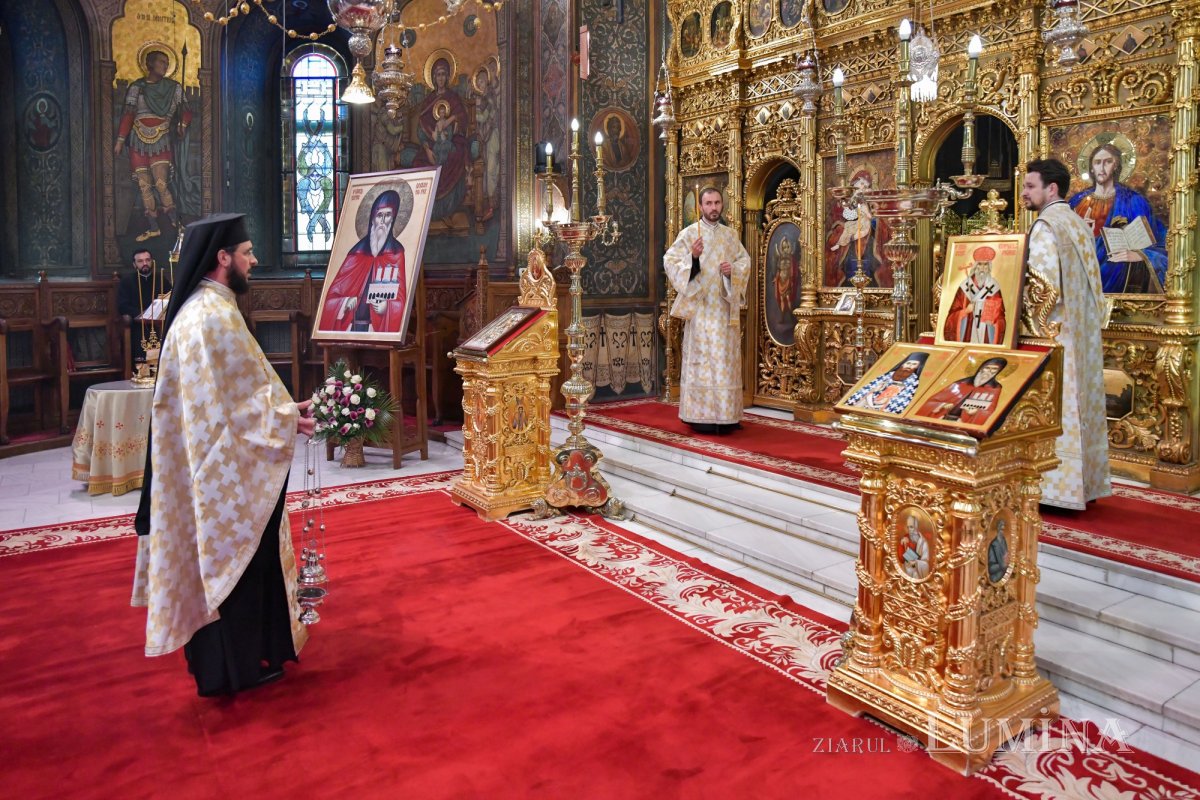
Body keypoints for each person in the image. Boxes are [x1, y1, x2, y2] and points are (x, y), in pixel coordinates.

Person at [131, 212, 314, 697]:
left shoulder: (200, 310)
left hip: (209, 461)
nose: (254, 261)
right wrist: (285, 418)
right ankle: (238, 670)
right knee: (237, 561)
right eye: (249, 252)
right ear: (223, 257)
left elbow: (234, 399)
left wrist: (285, 412)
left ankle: (227, 665)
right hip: (223, 468)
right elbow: (232, 410)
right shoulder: (212, 317)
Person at [1023, 158, 1113, 509]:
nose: (1024, 194)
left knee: (1056, 407)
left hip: (1055, 335)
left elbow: (1041, 289)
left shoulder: (1046, 226)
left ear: (1052, 189)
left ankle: (1057, 491)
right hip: (1083, 331)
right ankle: (1083, 487)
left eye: (1030, 186)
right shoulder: (1076, 222)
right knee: (1082, 406)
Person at [664, 187, 751, 434]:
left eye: (717, 203)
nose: (713, 208)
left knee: (724, 360)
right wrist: (692, 257)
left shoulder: (731, 236)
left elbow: (744, 262)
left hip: (723, 311)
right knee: (703, 362)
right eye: (709, 203)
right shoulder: (689, 233)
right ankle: (700, 416)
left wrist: (731, 271)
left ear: (722, 205)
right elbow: (670, 261)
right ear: (700, 207)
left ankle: (727, 416)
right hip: (702, 311)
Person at [1068, 143, 1168, 293]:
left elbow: (1159, 243)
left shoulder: (1134, 201)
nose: (1101, 168)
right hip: (1078, 275)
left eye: (1107, 162)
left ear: (1116, 166)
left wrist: (1140, 255)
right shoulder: (1077, 202)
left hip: (1118, 277)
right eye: (1097, 162)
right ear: (1091, 167)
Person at [115, 49, 192, 242]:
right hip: (138, 140)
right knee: (144, 186)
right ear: (150, 64)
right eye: (161, 62)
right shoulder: (136, 88)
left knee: (161, 184)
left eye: (167, 63)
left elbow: (186, 110)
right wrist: (120, 140)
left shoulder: (174, 88)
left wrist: (182, 124)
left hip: (161, 138)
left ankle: (176, 224)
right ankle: (154, 228)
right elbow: (129, 115)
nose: (165, 66)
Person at [318, 190, 408, 334]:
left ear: (393, 218)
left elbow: (402, 300)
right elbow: (331, 298)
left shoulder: (396, 253)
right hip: (351, 328)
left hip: (376, 330)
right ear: (372, 218)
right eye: (379, 215)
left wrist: (387, 306)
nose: (383, 221)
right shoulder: (356, 253)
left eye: (388, 215)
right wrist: (345, 302)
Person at [916, 356, 1008, 426]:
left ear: (998, 372)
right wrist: (943, 405)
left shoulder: (994, 388)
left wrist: (976, 412)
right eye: (987, 368)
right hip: (942, 418)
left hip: (963, 424)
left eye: (994, 369)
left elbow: (991, 410)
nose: (989, 371)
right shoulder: (961, 383)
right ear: (981, 368)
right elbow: (932, 400)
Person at [117, 248, 172, 364]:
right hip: (138, 324)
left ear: (151, 261)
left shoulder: (160, 279)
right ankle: (140, 372)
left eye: (147, 260)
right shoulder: (126, 282)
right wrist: (142, 316)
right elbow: (123, 306)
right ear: (134, 264)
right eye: (140, 261)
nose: (145, 263)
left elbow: (170, 299)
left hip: (159, 323)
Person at [942, 246, 1006, 344]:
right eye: (980, 264)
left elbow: (1001, 317)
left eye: (985, 265)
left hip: (986, 334)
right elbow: (952, 316)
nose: (982, 269)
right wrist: (965, 311)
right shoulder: (965, 287)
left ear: (989, 267)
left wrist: (993, 320)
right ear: (975, 266)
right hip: (968, 331)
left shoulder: (994, 287)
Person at [843, 352, 929, 414]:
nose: (909, 366)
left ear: (918, 366)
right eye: (908, 363)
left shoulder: (913, 380)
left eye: (914, 364)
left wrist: (891, 398)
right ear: (903, 364)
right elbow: (871, 386)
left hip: (890, 402)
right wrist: (875, 390)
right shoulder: (890, 374)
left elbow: (906, 396)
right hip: (874, 398)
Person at [900, 515, 930, 580]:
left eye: (911, 527)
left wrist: (916, 562)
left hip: (918, 575)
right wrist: (902, 545)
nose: (909, 530)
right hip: (906, 574)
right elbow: (901, 558)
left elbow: (926, 563)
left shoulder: (923, 542)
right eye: (908, 527)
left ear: (916, 528)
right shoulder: (905, 539)